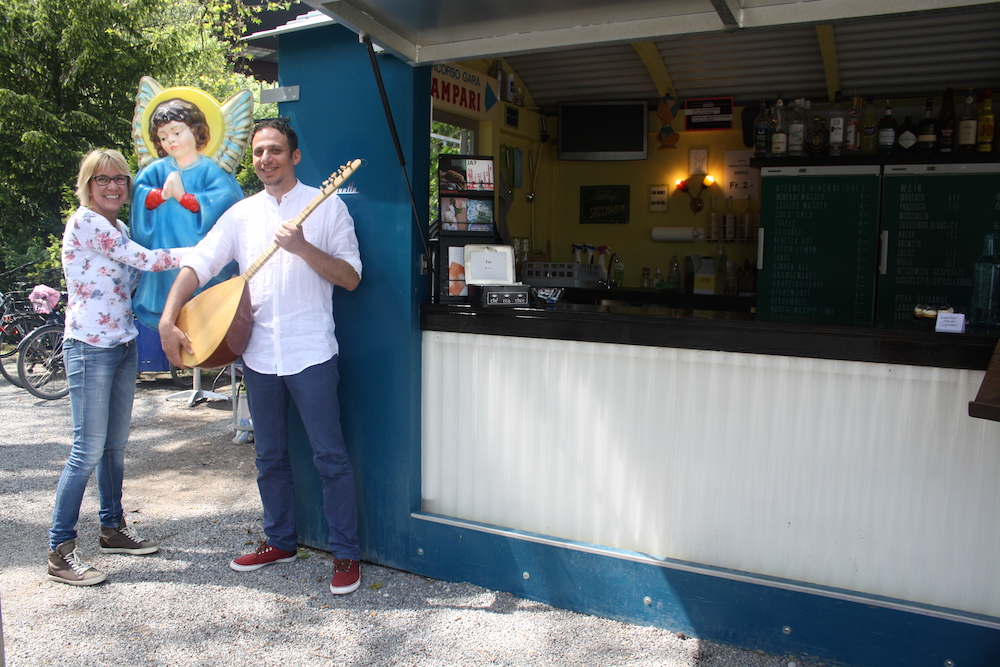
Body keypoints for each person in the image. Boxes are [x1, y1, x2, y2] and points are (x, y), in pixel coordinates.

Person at [158, 120, 364, 595]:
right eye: (258, 153)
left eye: (275, 150)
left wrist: (302, 246)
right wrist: (169, 317)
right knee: (269, 456)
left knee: (329, 457)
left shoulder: (327, 206)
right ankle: (280, 540)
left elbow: (351, 276)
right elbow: (199, 264)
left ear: (294, 156)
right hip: (257, 356)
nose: (265, 159)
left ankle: (346, 554)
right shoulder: (241, 214)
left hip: (311, 352)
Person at [48, 149, 185, 586]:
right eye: (102, 179)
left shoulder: (119, 226)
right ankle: (59, 550)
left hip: (122, 343)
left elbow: (134, 280)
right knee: (87, 449)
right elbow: (145, 261)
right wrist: (204, 252)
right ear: (87, 185)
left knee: (115, 446)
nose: (112, 186)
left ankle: (112, 528)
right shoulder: (85, 222)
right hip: (89, 347)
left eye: (120, 179)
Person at [130, 97, 241, 329]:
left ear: (195, 130)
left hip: (198, 252)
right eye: (163, 136)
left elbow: (225, 200)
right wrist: (161, 195)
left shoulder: (211, 170)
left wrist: (184, 197)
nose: (170, 140)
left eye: (176, 132)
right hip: (165, 248)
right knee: (164, 301)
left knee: (202, 303)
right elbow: (140, 197)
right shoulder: (155, 170)